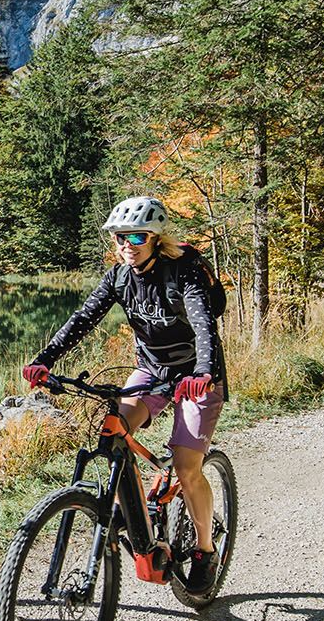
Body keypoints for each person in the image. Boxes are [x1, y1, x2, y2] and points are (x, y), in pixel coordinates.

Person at [22, 195, 227, 595]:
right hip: (150, 371)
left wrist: (203, 372)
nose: (127, 245)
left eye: (136, 237)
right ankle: (137, 517)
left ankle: (205, 550)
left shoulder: (182, 272)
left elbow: (203, 324)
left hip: (196, 376)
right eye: (119, 238)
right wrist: (44, 359)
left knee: (186, 468)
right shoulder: (118, 277)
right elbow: (83, 318)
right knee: (112, 430)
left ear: (154, 238)